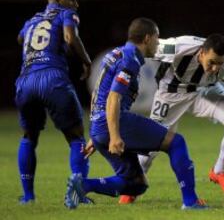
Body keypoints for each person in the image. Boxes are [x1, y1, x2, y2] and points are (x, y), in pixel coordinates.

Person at [64, 18, 207, 210]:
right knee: (176, 142)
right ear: (147, 38)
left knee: (136, 184)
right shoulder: (130, 59)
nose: (158, 43)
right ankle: (190, 202)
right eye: (157, 38)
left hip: (100, 126)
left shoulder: (117, 53)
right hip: (113, 125)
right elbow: (113, 97)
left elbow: (98, 93)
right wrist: (113, 136)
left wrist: (97, 131)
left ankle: (83, 185)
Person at [119, 34, 224, 204]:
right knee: (151, 148)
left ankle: (218, 171)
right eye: (211, 62)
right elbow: (143, 49)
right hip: (171, 94)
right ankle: (133, 186)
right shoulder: (178, 48)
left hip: (203, 92)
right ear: (202, 53)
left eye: (219, 64)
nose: (215, 69)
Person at [15, 0, 92, 204]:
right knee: (77, 137)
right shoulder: (66, 13)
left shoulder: (32, 20)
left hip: (26, 80)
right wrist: (86, 61)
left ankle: (28, 196)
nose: (76, 4)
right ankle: (78, 194)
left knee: (29, 136)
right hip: (53, 78)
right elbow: (69, 38)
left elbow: (21, 39)